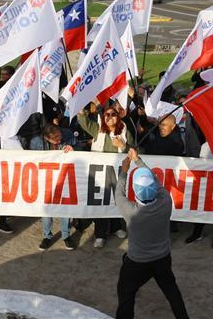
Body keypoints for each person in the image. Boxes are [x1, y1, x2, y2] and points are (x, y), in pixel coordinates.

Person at [115, 147, 189, 319]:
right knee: (172, 291)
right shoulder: (165, 201)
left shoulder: (130, 210)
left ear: (135, 190)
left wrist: (125, 169)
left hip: (137, 263)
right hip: (162, 258)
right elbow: (155, 180)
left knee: (125, 295)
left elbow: (119, 191)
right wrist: (137, 160)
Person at [77, 103, 135, 248]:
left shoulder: (125, 132)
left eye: (113, 114)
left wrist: (123, 146)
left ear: (118, 117)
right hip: (99, 175)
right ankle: (100, 234)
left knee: (116, 201)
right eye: (106, 115)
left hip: (117, 174)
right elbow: (83, 121)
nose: (109, 117)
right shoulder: (97, 130)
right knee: (100, 203)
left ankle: (116, 227)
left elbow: (134, 150)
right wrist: (80, 109)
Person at [38, 124, 75, 251]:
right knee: (47, 209)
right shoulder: (36, 142)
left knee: (66, 208)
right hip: (46, 179)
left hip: (65, 177)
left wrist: (74, 148)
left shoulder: (68, 134)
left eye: (60, 136)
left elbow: (81, 148)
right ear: (47, 138)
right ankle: (47, 236)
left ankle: (66, 235)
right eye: (56, 139)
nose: (60, 140)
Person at [185, 142, 213, 248]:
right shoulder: (205, 146)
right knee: (201, 208)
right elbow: (202, 165)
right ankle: (197, 233)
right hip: (206, 182)